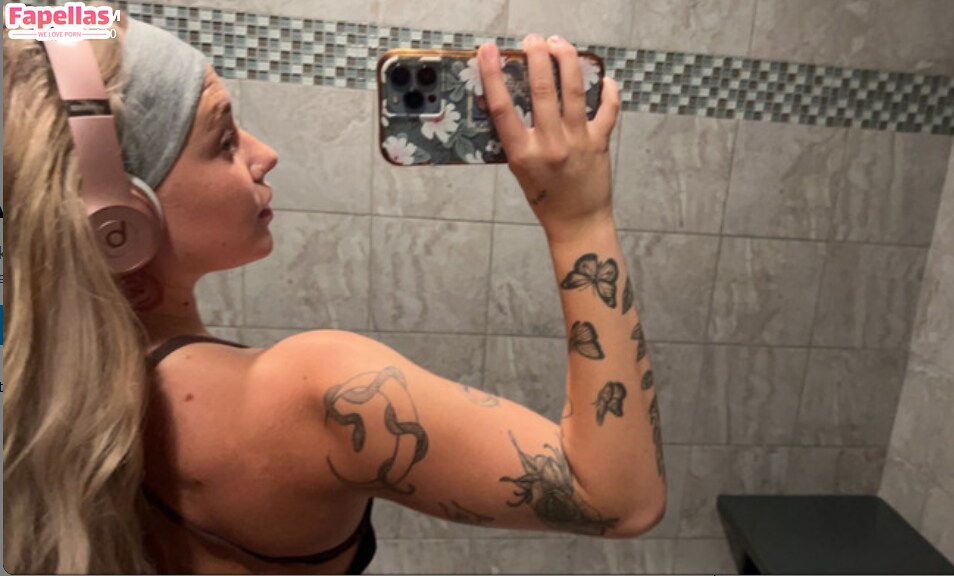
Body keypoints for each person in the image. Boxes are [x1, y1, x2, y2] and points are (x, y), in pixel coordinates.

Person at [2, 9, 667, 575]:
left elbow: (26, 20)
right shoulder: (311, 391)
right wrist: (580, 218)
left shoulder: (38, 392)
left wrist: (58, 32)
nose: (263, 153)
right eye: (223, 139)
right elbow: (619, 498)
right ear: (119, 222)